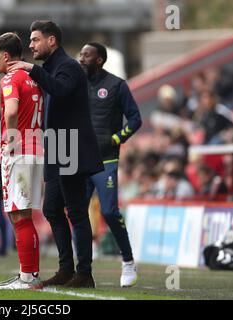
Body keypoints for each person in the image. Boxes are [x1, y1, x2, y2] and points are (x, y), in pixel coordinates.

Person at [8, 20, 104, 288]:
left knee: (75, 211)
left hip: (71, 148)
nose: (30, 45)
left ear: (52, 41)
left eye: (35, 39)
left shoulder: (69, 67)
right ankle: (66, 269)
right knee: (51, 208)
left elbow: (60, 91)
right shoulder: (51, 69)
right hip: (57, 149)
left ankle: (84, 273)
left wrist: (30, 69)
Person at [78, 42, 142, 287]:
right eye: (81, 55)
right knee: (77, 212)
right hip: (81, 159)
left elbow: (136, 119)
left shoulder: (117, 85)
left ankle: (127, 261)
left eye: (86, 55)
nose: (81, 59)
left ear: (99, 60)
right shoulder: (77, 84)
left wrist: (116, 139)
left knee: (109, 211)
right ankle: (83, 269)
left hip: (106, 160)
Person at [0, 32, 44, 290]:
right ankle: (29, 275)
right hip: (36, 150)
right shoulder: (33, 78)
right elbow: (18, 111)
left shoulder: (11, 77)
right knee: (24, 214)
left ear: (6, 55)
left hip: (19, 152)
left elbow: (12, 111)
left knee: (17, 213)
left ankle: (28, 278)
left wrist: (9, 143)